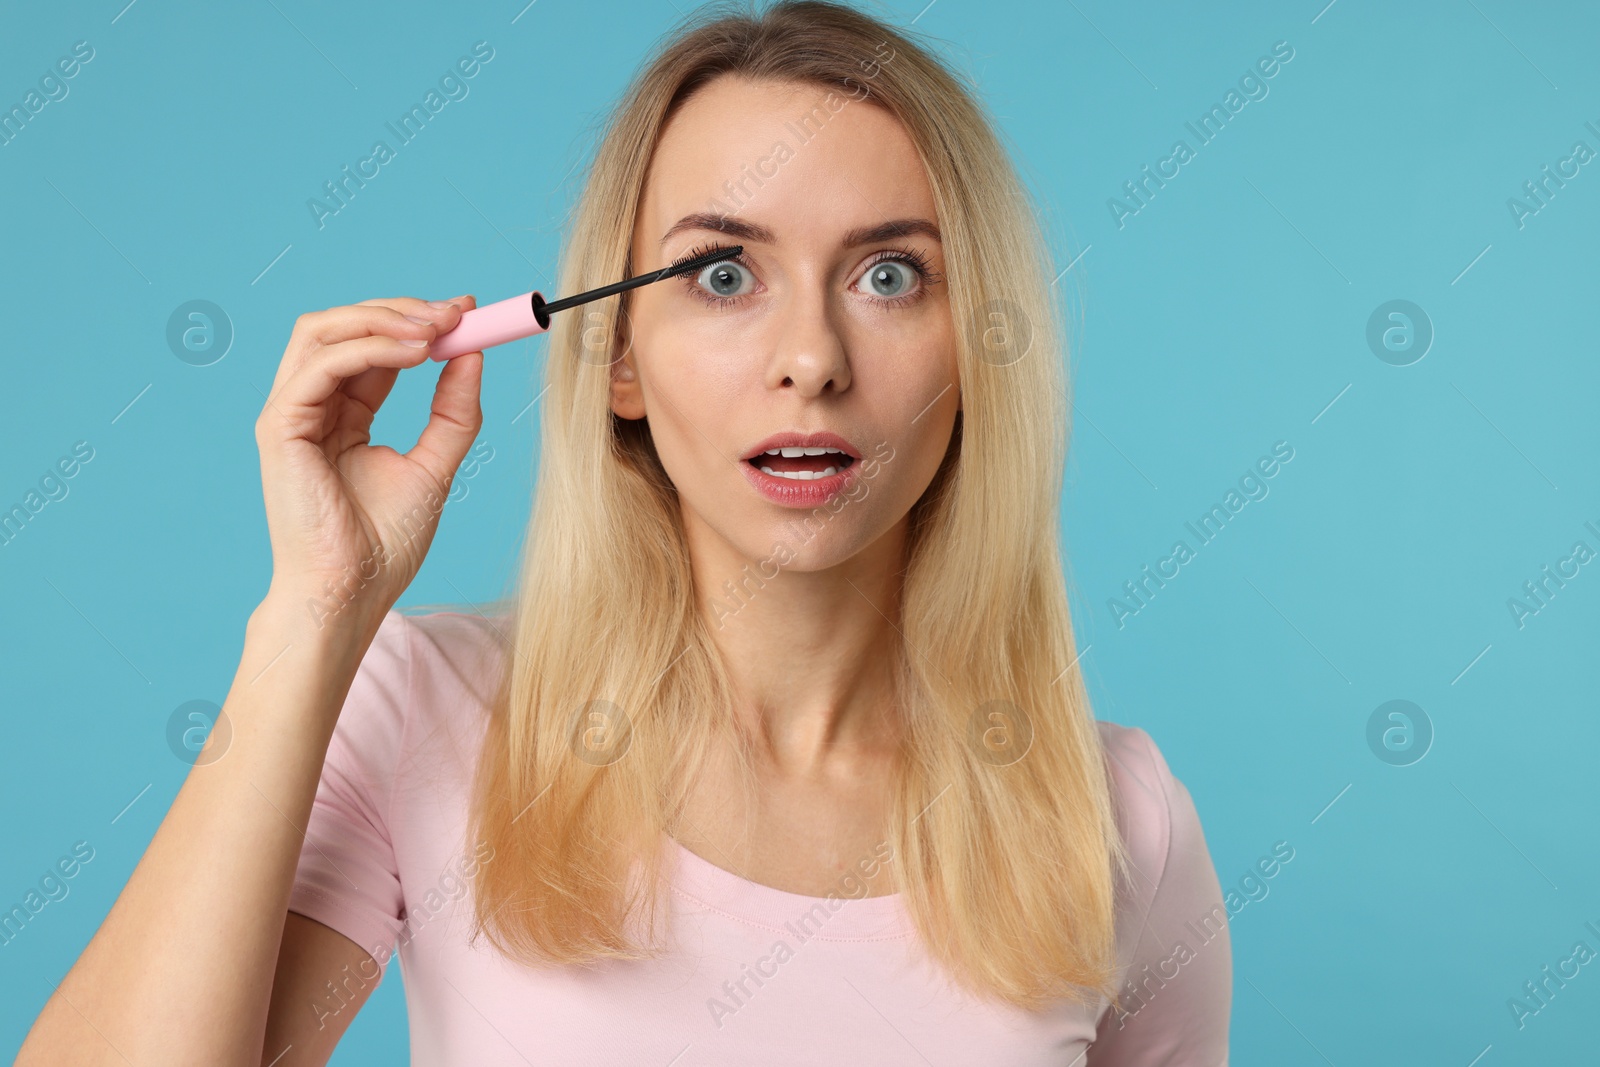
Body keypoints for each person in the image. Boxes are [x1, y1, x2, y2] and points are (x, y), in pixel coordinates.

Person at [18, 1, 1231, 1062]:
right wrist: (312, 615)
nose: (810, 360)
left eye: (889, 276)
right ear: (616, 360)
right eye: (720, 275)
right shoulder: (433, 712)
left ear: (981, 352)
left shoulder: (1117, 819)